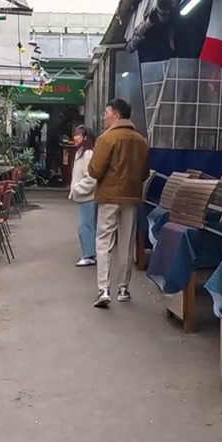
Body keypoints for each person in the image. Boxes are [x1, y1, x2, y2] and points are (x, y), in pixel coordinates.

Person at [86, 98, 150, 308]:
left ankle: (103, 289)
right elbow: (144, 173)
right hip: (131, 198)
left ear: (116, 115)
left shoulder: (106, 139)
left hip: (108, 197)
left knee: (104, 241)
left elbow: (95, 170)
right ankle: (123, 288)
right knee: (126, 242)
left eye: (106, 113)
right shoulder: (141, 141)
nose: (104, 117)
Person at [68, 125, 98, 268]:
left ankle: (89, 255)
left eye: (78, 135)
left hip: (87, 197)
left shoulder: (88, 154)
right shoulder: (81, 152)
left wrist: (77, 188)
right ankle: (89, 253)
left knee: (85, 226)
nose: (75, 138)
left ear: (85, 137)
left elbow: (91, 178)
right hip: (84, 196)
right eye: (75, 135)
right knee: (85, 226)